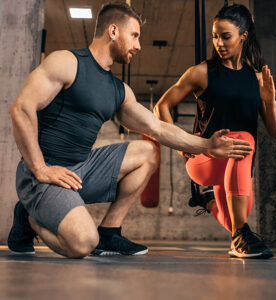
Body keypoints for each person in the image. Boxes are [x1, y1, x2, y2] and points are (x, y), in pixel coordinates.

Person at [7, 3, 252, 259]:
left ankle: (109, 233)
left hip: (80, 170)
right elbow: (22, 109)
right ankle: (29, 219)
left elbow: (157, 127)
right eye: (134, 36)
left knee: (148, 152)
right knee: (82, 244)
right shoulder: (67, 62)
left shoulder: (119, 90)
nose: (138, 45)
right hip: (43, 175)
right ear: (113, 31)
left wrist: (207, 146)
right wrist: (40, 168)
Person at [154, 3, 276, 259]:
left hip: (238, 164)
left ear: (243, 36)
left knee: (236, 218)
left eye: (226, 36)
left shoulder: (257, 79)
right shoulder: (201, 73)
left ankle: (208, 202)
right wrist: (184, 146)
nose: (218, 43)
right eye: (215, 36)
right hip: (205, 160)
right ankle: (240, 238)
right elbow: (162, 106)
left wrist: (269, 101)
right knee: (243, 139)